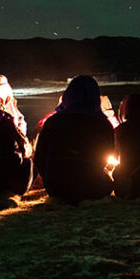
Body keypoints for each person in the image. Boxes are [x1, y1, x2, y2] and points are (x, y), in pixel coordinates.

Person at [34, 75, 115, 203]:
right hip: (92, 187)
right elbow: (110, 154)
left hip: (57, 187)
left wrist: (50, 176)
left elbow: (39, 157)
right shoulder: (102, 123)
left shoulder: (52, 121)